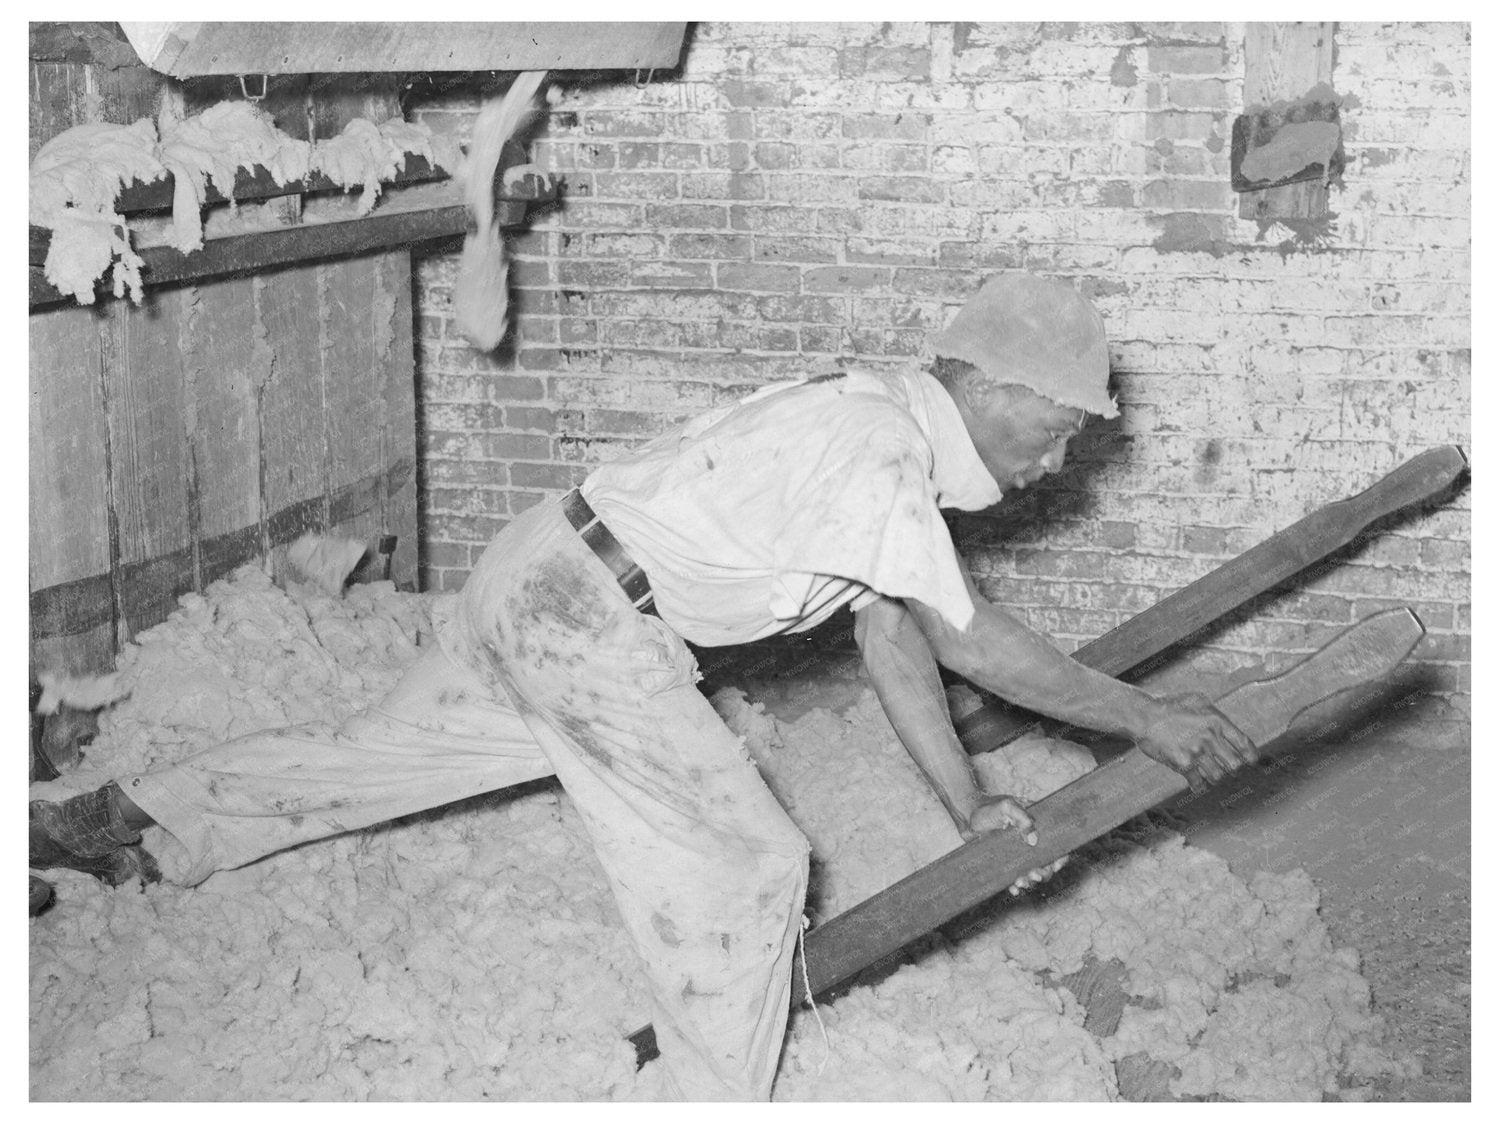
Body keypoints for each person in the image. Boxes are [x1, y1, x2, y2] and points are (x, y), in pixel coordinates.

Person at [30, 271, 1257, 1100]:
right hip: (593, 618)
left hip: (549, 571)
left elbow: (897, 637)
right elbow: (976, 639)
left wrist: (965, 804)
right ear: (995, 388)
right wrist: (1149, 714)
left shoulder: (879, 439)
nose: (1054, 465)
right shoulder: (876, 448)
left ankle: (134, 814)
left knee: (381, 757)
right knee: (749, 861)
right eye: (1056, 431)